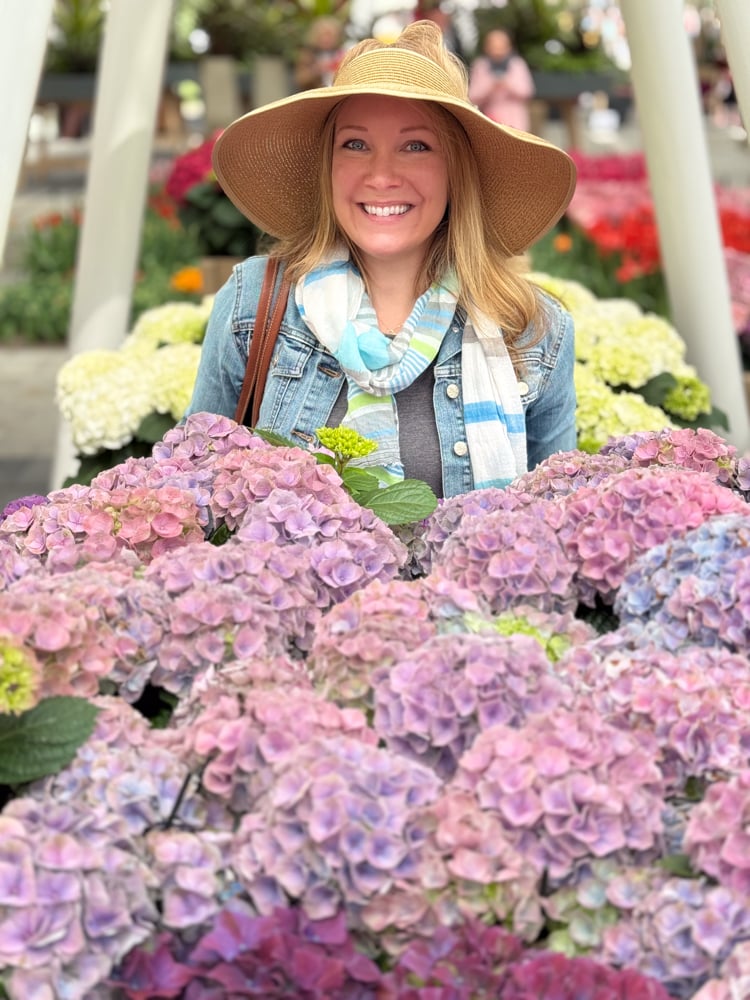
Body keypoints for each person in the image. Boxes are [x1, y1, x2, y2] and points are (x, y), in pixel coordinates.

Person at [185, 20, 577, 500]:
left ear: (457, 171)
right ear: (327, 166)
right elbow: (191, 498)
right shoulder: (255, 305)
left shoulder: (533, 329)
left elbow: (553, 528)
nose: (382, 175)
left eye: (416, 146)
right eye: (355, 144)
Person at [468, 28, 535, 133]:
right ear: (487, 47)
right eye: (494, 46)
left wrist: (507, 84)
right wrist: (490, 86)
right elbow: (472, 95)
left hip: (516, 120)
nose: (498, 50)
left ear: (509, 47)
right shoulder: (481, 65)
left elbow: (527, 91)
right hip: (489, 118)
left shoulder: (517, 64)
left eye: (501, 46)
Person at [294, 16, 347, 91]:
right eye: (324, 35)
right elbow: (301, 79)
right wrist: (317, 70)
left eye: (330, 35)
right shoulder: (308, 54)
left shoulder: (341, 53)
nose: (327, 39)